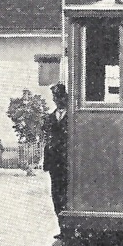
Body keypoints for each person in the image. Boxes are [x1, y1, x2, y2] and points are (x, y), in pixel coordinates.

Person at [43, 83, 69, 230]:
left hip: (67, 161)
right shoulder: (50, 117)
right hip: (54, 162)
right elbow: (47, 138)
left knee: (67, 194)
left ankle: (68, 228)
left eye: (59, 96)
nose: (57, 100)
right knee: (56, 195)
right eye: (55, 97)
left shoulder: (72, 116)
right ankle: (62, 228)